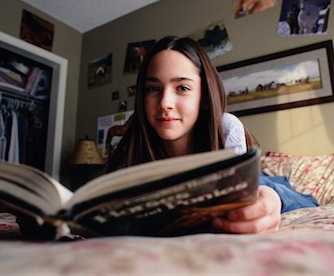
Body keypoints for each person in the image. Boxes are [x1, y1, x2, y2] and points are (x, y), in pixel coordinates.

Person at [107, 36, 318, 234]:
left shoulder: (224, 131)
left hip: (251, 177)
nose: (165, 103)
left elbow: (311, 204)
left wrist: (273, 199)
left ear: (204, 96)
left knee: (268, 186)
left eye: (182, 87)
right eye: (153, 89)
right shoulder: (133, 151)